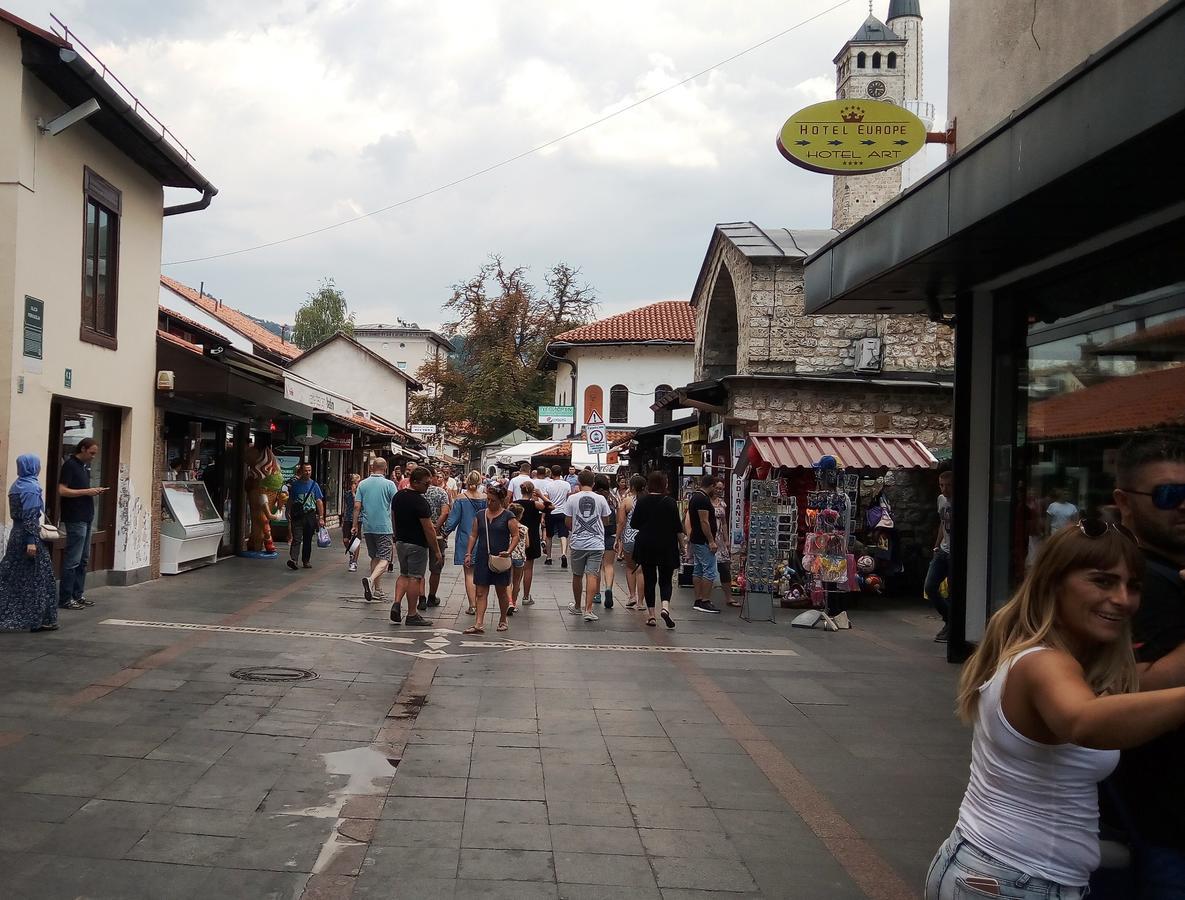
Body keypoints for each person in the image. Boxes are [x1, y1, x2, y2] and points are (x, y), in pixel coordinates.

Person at [925, 521, 1185, 900]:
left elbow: (1144, 690)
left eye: (1134, 586)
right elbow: (1084, 722)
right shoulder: (1045, 664)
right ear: (1053, 583)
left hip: (999, 872)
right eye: (1103, 581)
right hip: (1013, 881)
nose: (1123, 599)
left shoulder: (1053, 659)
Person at [1098, 433, 1185, 897]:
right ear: (1124, 503)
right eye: (1170, 495)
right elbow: (1132, 690)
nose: (1183, 507)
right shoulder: (1134, 584)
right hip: (1160, 821)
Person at [1, 455, 59, 632]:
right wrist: (31, 542)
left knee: (10, 575)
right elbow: (30, 518)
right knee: (40, 577)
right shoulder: (31, 488)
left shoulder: (16, 485)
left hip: (16, 536)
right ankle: (40, 618)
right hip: (28, 537)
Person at [57, 438, 107, 610]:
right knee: (73, 559)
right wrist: (87, 492)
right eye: (91, 453)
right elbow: (62, 490)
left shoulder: (84, 468)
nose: (93, 457)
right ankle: (65, 598)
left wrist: (93, 492)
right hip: (75, 518)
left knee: (83, 559)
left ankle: (78, 595)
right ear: (83, 449)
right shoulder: (70, 465)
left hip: (86, 517)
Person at [630, 470, 681, 628]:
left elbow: (634, 524)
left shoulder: (642, 501)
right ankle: (665, 607)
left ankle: (651, 615)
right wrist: (683, 546)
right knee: (666, 580)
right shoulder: (670, 502)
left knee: (650, 579)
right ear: (664, 484)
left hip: (647, 545)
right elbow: (677, 527)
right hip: (667, 545)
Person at [464, 483, 518, 634]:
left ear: (500, 501)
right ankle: (479, 623)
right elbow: (473, 534)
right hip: (483, 557)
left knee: (501, 591)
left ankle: (502, 619)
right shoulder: (480, 515)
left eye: (493, 500)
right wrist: (468, 553)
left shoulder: (508, 516)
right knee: (480, 591)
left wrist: (509, 551)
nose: (489, 503)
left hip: (500, 558)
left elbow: (515, 535)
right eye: (488, 499)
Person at [390, 467, 437, 626]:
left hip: (401, 542)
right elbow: (428, 528)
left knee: (403, 574)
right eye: (426, 483)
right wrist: (436, 550)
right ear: (415, 482)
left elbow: (394, 518)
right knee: (415, 578)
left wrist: (396, 537)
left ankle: (396, 603)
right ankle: (412, 614)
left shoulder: (398, 497)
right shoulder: (420, 502)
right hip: (417, 544)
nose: (428, 486)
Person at [563, 470, 612, 622]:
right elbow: (606, 520)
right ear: (593, 483)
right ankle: (588, 609)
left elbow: (568, 522)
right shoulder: (601, 499)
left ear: (578, 482)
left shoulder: (571, 499)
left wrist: (577, 528)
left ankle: (577, 606)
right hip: (596, 543)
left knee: (577, 575)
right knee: (592, 574)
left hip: (578, 543)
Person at [443, 471, 487, 615]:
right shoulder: (485, 498)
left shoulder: (461, 499)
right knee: (480, 573)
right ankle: (480, 601)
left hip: (465, 538)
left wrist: (444, 533)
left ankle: (472, 605)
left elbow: (453, 519)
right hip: (482, 538)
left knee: (468, 573)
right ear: (480, 482)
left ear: (466, 481)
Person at [353, 458, 397, 602]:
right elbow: (396, 505)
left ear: (372, 468)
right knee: (385, 558)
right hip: (384, 526)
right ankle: (371, 580)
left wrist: (354, 525)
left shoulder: (362, 484)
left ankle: (377, 590)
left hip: (368, 527)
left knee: (375, 557)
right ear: (385, 468)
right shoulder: (390, 485)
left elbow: (357, 507)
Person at [925, 468, 955, 642]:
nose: (944, 489)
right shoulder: (941, 500)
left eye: (948, 485)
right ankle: (949, 619)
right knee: (930, 586)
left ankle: (951, 625)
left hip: (954, 553)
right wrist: (936, 546)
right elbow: (942, 524)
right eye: (942, 485)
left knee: (952, 592)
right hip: (943, 550)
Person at [686, 474, 721, 614]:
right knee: (709, 570)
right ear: (711, 486)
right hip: (703, 540)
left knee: (699, 568)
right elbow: (704, 521)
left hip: (697, 539)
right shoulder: (702, 499)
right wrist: (711, 540)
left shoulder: (696, 496)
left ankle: (699, 599)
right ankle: (704, 600)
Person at [510, 481, 545, 611]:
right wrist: (541, 496)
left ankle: (511, 599)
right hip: (532, 537)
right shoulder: (535, 504)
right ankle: (526, 596)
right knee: (528, 569)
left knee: (514, 573)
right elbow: (551, 507)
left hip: (515, 539)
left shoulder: (514, 504)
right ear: (532, 491)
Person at [285, 463, 325, 571]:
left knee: (307, 538)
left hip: (310, 515)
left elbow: (319, 501)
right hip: (297, 515)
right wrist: (287, 510)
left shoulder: (314, 485)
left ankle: (306, 560)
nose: (307, 472)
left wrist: (321, 517)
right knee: (296, 538)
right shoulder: (295, 485)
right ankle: (294, 560)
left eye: (309, 470)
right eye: (305, 470)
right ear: (301, 471)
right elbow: (291, 500)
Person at [423, 470, 451, 609]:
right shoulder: (441, 493)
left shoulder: (418, 492)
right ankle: (431, 596)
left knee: (418, 569)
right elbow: (445, 512)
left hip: (420, 533)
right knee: (436, 567)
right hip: (437, 534)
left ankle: (421, 598)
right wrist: (436, 527)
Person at [617, 474, 646, 609]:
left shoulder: (626, 501)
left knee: (630, 567)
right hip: (645, 538)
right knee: (641, 570)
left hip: (629, 538)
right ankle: (641, 602)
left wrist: (617, 538)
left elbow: (621, 522)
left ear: (632, 486)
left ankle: (632, 596)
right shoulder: (648, 500)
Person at [712, 490, 741, 608]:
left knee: (724, 567)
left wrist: (726, 539)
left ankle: (728, 597)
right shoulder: (705, 502)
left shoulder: (722, 504)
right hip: (709, 537)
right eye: (717, 487)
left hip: (720, 540)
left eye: (721, 488)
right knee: (706, 568)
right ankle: (704, 598)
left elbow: (724, 523)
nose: (718, 490)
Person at [593, 474, 618, 608]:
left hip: (595, 533)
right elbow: (619, 518)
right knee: (608, 565)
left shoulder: (592, 497)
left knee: (595, 565)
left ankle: (596, 594)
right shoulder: (613, 498)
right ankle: (608, 588)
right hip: (611, 533)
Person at [543, 465, 573, 568]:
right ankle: (564, 553)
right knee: (563, 534)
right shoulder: (567, 484)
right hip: (563, 512)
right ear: (561, 473)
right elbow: (569, 498)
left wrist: (543, 515)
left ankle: (548, 557)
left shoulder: (548, 485)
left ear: (552, 473)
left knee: (549, 535)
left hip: (551, 512)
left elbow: (546, 501)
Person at [342, 473, 361, 573]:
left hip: (358, 519)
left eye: (356, 483)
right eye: (353, 483)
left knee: (356, 541)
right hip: (347, 518)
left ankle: (354, 562)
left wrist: (355, 495)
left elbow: (357, 506)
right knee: (346, 540)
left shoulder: (361, 494)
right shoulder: (347, 493)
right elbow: (350, 505)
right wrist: (352, 494)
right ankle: (351, 552)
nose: (354, 485)